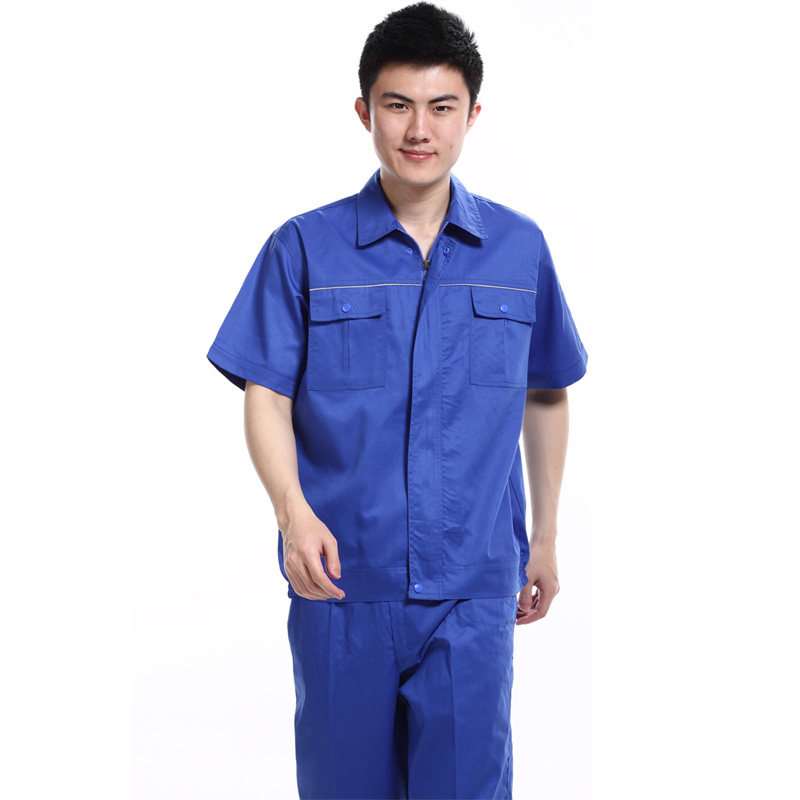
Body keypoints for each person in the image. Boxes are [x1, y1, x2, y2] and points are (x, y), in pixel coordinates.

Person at [206, 2, 588, 797]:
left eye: (441, 107)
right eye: (398, 105)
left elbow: (546, 393)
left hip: (474, 586)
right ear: (364, 112)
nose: (419, 129)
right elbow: (265, 393)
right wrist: (293, 515)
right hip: (342, 581)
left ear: (472, 115)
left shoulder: (520, 249)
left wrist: (547, 538)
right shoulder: (303, 247)